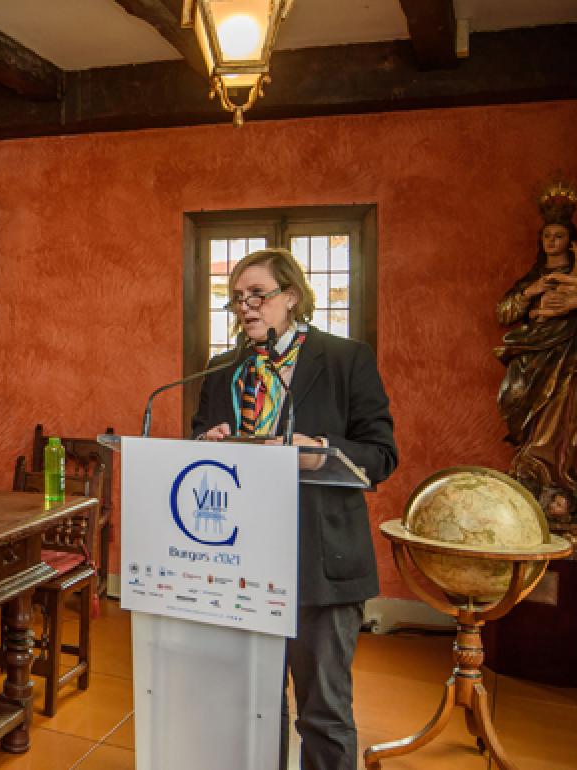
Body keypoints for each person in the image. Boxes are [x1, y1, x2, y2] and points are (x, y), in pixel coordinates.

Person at [191, 248, 398, 770]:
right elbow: (200, 435)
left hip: (321, 562)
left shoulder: (346, 358)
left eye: (257, 294)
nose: (246, 306)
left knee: (323, 712)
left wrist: (322, 451)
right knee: (255, 709)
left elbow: (381, 454)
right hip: (242, 560)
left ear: (291, 297)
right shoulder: (224, 369)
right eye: (237, 298)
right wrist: (209, 438)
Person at [495, 187, 577, 523]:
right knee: (534, 411)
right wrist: (529, 295)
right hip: (536, 359)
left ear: (571, 240)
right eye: (546, 235)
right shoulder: (533, 279)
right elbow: (503, 313)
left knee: (572, 414)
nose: (552, 241)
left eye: (559, 235)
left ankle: (567, 478)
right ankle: (533, 474)